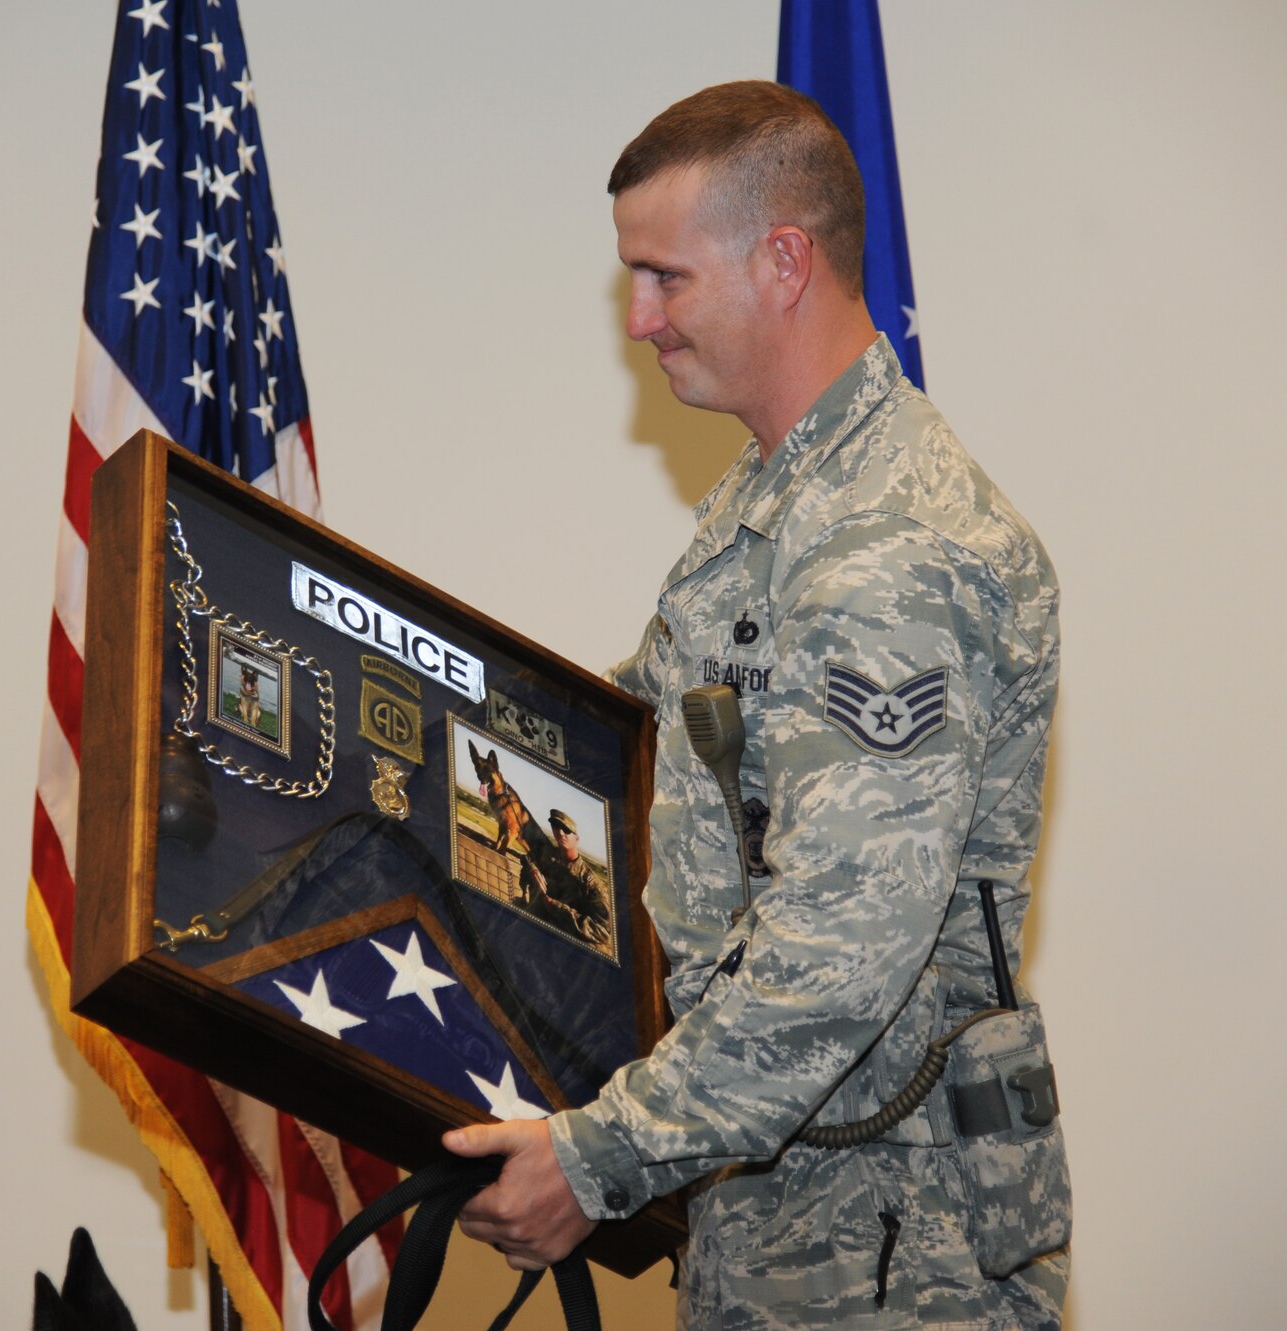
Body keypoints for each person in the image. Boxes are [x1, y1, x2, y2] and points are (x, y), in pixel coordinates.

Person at [445, 81, 1071, 1327]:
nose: (636, 319)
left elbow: (838, 955)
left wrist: (596, 1158)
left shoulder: (888, 549)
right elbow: (637, 737)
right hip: (780, 1211)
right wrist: (415, 738)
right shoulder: (777, 498)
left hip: (894, 1252)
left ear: (781, 261)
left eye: (663, 276)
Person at [518, 808, 613, 948]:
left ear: (577, 838)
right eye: (556, 827)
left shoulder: (590, 883)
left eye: (566, 830)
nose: (560, 832)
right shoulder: (549, 855)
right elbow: (528, 858)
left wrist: (556, 907)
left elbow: (603, 932)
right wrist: (533, 869)